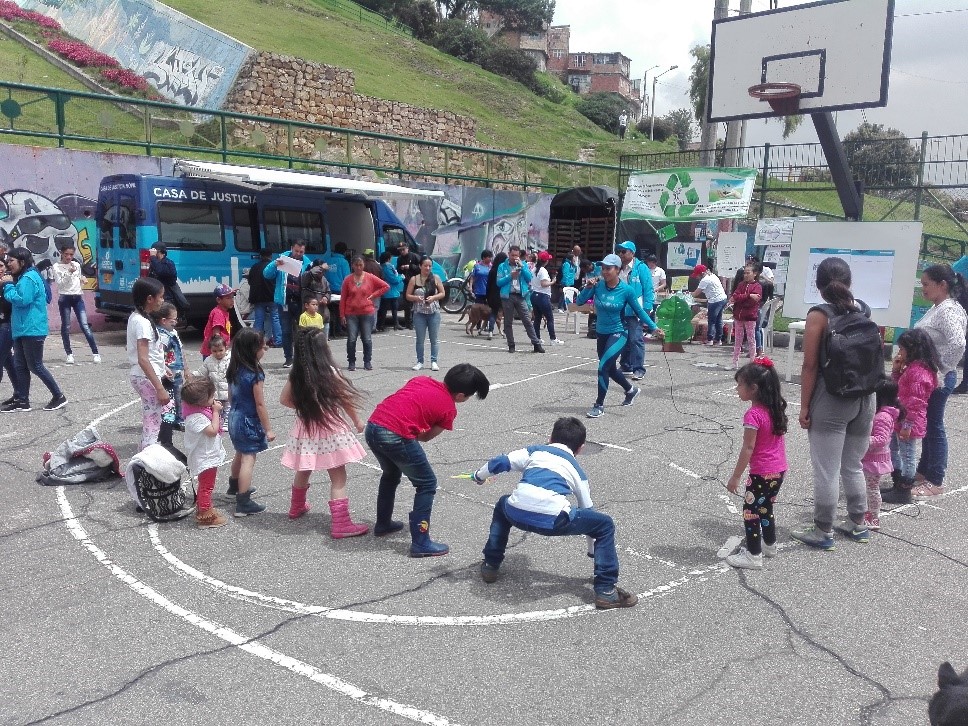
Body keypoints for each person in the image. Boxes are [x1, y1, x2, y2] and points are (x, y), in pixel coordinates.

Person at [474, 416, 638, 609]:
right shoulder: (577, 471)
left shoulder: (534, 451)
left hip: (516, 512)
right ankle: (606, 590)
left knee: (503, 504)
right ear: (580, 449)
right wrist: (592, 551)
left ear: (550, 438)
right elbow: (587, 509)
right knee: (604, 524)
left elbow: (500, 462)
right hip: (554, 520)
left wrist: (479, 476)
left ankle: (491, 564)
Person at [792, 257, 876, 550]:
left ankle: (823, 530)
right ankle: (858, 523)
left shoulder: (819, 315)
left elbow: (810, 366)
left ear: (819, 286)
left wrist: (804, 407)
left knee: (827, 470)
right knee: (852, 465)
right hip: (865, 397)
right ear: (849, 282)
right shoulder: (864, 309)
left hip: (832, 399)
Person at [365, 363, 490, 557]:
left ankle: (383, 523)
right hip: (395, 435)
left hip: (373, 426)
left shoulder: (422, 379)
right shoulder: (449, 409)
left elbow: (405, 402)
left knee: (390, 475)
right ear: (460, 396)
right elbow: (425, 437)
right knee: (427, 484)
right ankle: (421, 543)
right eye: (469, 396)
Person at [280, 327, 369, 538]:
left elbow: (284, 400)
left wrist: (307, 407)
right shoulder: (330, 372)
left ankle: (296, 506)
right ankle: (341, 524)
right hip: (330, 428)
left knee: (304, 467)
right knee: (338, 476)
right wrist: (357, 420)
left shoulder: (297, 374)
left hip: (306, 427)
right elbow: (345, 400)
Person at [893, 264, 967, 499]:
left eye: (926, 284)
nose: (923, 288)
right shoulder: (938, 307)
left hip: (937, 377)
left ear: (942, 285)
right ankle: (923, 471)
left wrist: (940, 367)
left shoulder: (948, 310)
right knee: (925, 424)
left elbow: (958, 343)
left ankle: (935, 479)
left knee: (934, 425)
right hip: (928, 375)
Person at [577, 254, 662, 419]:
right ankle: (631, 390)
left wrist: (654, 327)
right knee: (610, 368)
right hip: (601, 333)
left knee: (603, 367)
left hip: (619, 332)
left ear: (617, 270)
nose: (604, 271)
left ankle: (599, 405)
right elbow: (580, 302)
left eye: (608, 268)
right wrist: (587, 287)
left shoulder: (627, 290)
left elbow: (639, 311)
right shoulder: (597, 286)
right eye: (603, 268)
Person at [723, 357, 788, 570]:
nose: (737, 389)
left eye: (740, 385)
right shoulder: (774, 409)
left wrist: (735, 476)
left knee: (750, 511)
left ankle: (753, 555)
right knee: (766, 507)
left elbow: (748, 448)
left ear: (753, 388)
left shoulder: (753, 415)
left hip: (761, 472)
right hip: (779, 469)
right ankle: (770, 545)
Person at [0, 247, 67, 412]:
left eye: (11, 261)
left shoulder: (29, 277)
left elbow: (22, 299)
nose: (8, 264)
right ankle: (23, 401)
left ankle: (58, 396)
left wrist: (8, 285)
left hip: (32, 329)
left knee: (35, 365)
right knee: (20, 366)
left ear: (22, 261)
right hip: (22, 329)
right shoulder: (23, 277)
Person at [883, 329, 939, 504]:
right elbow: (897, 387)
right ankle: (897, 482)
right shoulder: (912, 368)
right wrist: (896, 371)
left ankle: (904, 489)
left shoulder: (919, 372)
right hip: (901, 417)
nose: (900, 352)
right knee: (893, 449)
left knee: (907, 454)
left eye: (902, 349)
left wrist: (907, 425)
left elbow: (917, 402)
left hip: (909, 421)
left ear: (913, 349)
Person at [225, 328, 274, 515]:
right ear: (253, 350)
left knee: (240, 452)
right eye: (263, 347)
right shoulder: (255, 373)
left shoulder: (234, 369)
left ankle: (234, 486)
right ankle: (243, 502)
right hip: (247, 420)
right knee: (248, 458)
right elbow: (260, 404)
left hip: (234, 416)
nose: (265, 350)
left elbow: (231, 396)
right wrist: (268, 429)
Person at [124, 277, 169, 447]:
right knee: (153, 423)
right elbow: (143, 358)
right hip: (145, 377)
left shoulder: (137, 317)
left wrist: (163, 368)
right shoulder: (142, 322)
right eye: (161, 296)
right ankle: (147, 457)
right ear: (150, 298)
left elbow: (150, 352)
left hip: (144, 376)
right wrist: (160, 388)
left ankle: (144, 454)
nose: (162, 300)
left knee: (152, 419)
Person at [180, 376, 228, 529]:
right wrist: (216, 412)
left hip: (207, 455)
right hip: (205, 457)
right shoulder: (196, 417)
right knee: (206, 486)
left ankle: (205, 507)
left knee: (206, 484)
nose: (214, 398)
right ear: (201, 401)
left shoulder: (199, 411)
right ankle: (205, 515)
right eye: (211, 396)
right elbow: (212, 431)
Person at [862, 379, 903, 532]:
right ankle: (867, 513)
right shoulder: (882, 414)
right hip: (871, 458)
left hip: (874, 460)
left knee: (872, 489)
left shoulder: (883, 417)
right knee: (867, 488)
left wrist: (863, 440)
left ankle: (873, 517)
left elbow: (881, 439)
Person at [264, 240, 310, 367]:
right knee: (286, 331)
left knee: (303, 330)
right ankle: (288, 358)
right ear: (291, 248)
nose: (298, 254)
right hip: (284, 301)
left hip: (301, 302)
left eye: (301, 252)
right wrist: (274, 264)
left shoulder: (307, 262)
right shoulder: (282, 259)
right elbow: (266, 274)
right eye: (296, 251)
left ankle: (303, 358)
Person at [340, 255, 389, 371]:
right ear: (352, 266)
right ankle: (351, 361)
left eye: (360, 265)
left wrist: (374, 295)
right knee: (351, 339)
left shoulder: (370, 277)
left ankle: (367, 361)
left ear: (364, 265)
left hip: (367, 312)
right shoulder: (347, 279)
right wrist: (342, 315)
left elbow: (385, 286)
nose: (358, 267)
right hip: (351, 313)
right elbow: (343, 298)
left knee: (367, 339)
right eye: (356, 265)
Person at [52, 245, 100, 365]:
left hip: (77, 297)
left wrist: (82, 280)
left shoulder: (76, 265)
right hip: (65, 297)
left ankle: (95, 353)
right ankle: (69, 354)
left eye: (71, 255)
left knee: (84, 325)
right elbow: (60, 284)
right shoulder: (57, 267)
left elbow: (78, 278)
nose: (69, 257)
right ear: (61, 253)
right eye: (66, 254)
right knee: (66, 326)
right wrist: (69, 272)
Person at [616, 241, 654, 380]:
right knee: (624, 338)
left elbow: (648, 289)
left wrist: (647, 308)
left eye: (623, 251)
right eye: (619, 251)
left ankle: (638, 369)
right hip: (620, 309)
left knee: (635, 339)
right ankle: (626, 365)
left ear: (632, 253)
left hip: (635, 310)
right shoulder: (618, 267)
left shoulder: (641, 268)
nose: (620, 254)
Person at [497, 245, 544, 354]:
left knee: (527, 320)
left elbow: (529, 278)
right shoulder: (502, 266)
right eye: (512, 255)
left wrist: (522, 267)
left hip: (520, 295)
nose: (514, 258)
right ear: (509, 254)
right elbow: (498, 282)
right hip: (507, 296)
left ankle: (536, 344)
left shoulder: (523, 265)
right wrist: (510, 276)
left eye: (516, 256)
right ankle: (511, 345)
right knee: (508, 321)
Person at [406, 256, 445, 371]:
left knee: (434, 339)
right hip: (419, 313)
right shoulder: (414, 279)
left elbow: (442, 293)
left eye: (430, 266)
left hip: (434, 313)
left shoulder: (436, 278)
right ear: (420, 266)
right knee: (420, 339)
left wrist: (434, 297)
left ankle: (434, 361)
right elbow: (407, 295)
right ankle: (420, 361)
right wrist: (415, 298)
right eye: (425, 266)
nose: (427, 268)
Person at [154, 303, 186, 429]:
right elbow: (159, 353)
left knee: (176, 395)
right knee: (173, 396)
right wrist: (164, 367)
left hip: (174, 371)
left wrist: (185, 369)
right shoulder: (163, 335)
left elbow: (180, 351)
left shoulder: (171, 332)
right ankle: (175, 420)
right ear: (163, 320)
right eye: (173, 319)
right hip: (169, 372)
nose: (176, 322)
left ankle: (173, 419)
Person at [729, 264, 762, 369]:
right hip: (738, 316)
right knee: (737, 340)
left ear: (754, 274)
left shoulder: (757, 286)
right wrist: (748, 295)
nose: (746, 275)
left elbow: (752, 302)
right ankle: (734, 363)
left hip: (749, 317)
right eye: (745, 273)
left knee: (751, 340)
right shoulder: (741, 284)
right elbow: (735, 296)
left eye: (748, 273)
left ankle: (752, 363)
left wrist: (741, 299)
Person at [248, 249, 282, 347]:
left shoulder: (254, 267)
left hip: (258, 297)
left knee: (259, 320)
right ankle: (278, 341)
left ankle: (256, 342)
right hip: (272, 297)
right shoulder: (274, 267)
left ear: (260, 256)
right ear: (271, 256)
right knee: (275, 318)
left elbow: (250, 281)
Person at [0, 258, 22, 403]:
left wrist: (6, 285)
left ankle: (21, 395)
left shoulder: (11, 283)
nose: (0, 269)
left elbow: (13, 303)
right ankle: (20, 394)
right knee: (8, 361)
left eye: (1, 265)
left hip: (7, 325)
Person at [530, 250, 562, 347]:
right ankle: (553, 339)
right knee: (549, 318)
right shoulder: (543, 270)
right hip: (542, 296)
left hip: (534, 294)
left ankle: (537, 338)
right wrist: (553, 282)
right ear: (546, 261)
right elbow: (544, 284)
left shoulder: (534, 269)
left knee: (537, 318)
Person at [147, 243, 187, 319]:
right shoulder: (154, 263)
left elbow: (160, 271)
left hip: (167, 298)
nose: (152, 253)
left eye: (154, 251)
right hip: (157, 297)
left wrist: (153, 257)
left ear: (160, 252)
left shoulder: (168, 264)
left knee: (165, 318)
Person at [691, 264, 728, 345]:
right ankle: (718, 340)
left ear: (702, 273)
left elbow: (696, 293)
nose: (696, 277)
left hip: (715, 301)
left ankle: (710, 339)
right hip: (722, 299)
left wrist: (688, 295)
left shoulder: (705, 280)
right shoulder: (712, 275)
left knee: (711, 321)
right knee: (718, 320)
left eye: (697, 275)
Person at [202, 335, 231, 430]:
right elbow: (202, 372)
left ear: (226, 348)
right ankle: (219, 421)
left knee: (228, 408)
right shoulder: (208, 360)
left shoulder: (231, 359)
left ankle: (227, 422)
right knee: (217, 407)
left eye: (221, 350)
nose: (218, 353)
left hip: (228, 391)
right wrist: (193, 375)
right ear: (210, 350)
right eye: (214, 351)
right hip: (215, 391)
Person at [201, 284, 236, 359]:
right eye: (228, 298)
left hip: (218, 350)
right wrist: (219, 351)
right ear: (218, 300)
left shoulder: (224, 312)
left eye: (232, 297)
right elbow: (216, 334)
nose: (232, 300)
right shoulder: (218, 313)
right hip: (214, 352)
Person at [300, 259, 331, 338]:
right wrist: (320, 267)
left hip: (323, 316)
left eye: (323, 271)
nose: (322, 273)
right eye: (320, 271)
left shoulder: (324, 280)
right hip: (309, 318)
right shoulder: (306, 277)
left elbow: (328, 292)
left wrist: (326, 297)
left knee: (323, 342)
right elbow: (310, 274)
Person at [396, 241, 421, 329]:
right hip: (407, 282)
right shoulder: (399, 259)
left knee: (417, 302)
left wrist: (410, 266)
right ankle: (408, 323)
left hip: (416, 283)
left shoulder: (414, 256)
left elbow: (420, 268)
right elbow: (398, 270)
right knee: (407, 303)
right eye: (400, 250)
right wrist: (401, 268)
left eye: (403, 249)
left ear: (407, 248)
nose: (402, 252)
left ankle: (417, 321)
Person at [377, 251, 404, 332]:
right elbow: (394, 279)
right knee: (394, 309)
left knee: (384, 309)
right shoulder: (388, 267)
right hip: (391, 291)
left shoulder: (380, 266)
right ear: (388, 258)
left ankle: (381, 325)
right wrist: (401, 277)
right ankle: (394, 324)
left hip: (385, 291)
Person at [485, 251, 507, 341]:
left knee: (493, 313)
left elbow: (488, 285)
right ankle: (505, 331)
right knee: (506, 314)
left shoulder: (492, 270)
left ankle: (490, 331)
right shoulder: (504, 271)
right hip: (503, 294)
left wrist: (487, 296)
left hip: (492, 295)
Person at [559, 245, 582, 311]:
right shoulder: (567, 263)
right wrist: (566, 283)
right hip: (567, 282)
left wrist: (574, 265)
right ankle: (560, 307)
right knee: (563, 295)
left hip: (573, 280)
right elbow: (565, 274)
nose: (580, 253)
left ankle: (566, 307)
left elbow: (575, 270)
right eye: (578, 251)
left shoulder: (574, 262)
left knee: (570, 294)